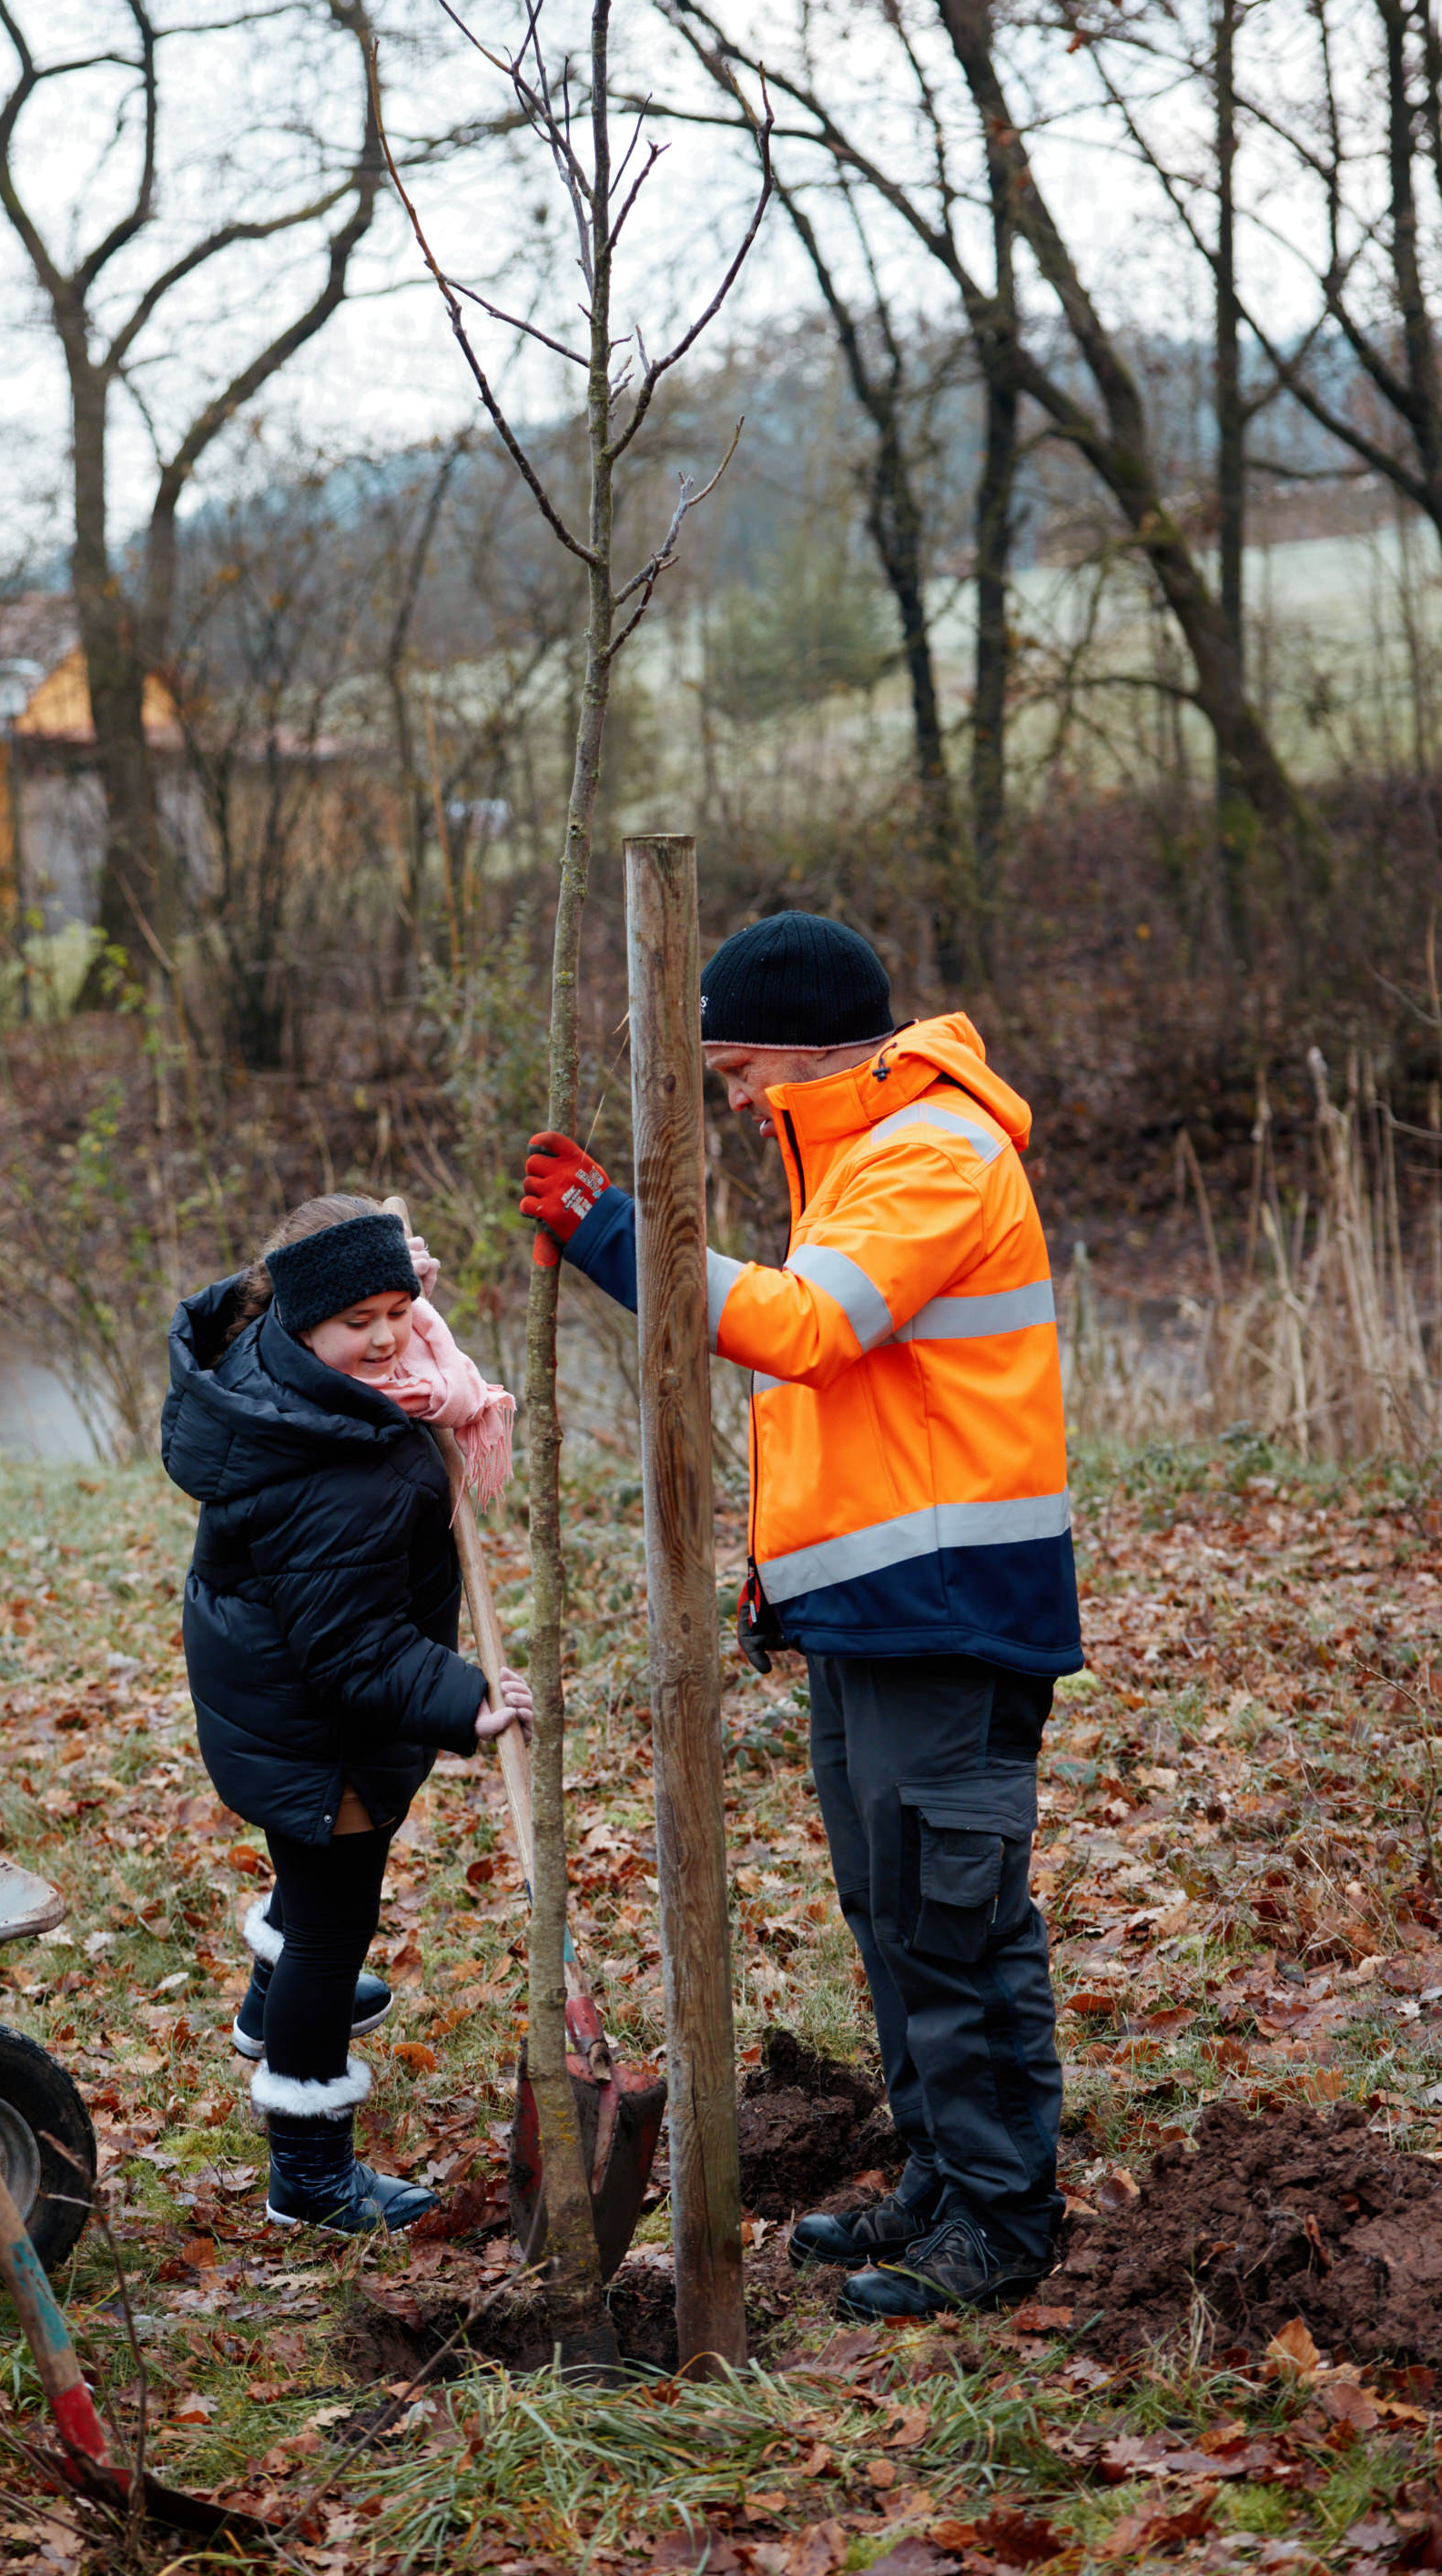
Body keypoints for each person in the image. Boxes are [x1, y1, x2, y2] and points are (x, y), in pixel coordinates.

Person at [520, 911, 1079, 2319]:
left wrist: (612, 1240)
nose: (725, 1097)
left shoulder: (931, 1156)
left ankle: (1002, 2224)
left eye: (732, 1068)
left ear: (799, 1051)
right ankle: (942, 2180)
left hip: (948, 1615)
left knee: (951, 1919)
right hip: (874, 1616)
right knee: (890, 1909)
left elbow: (803, 1330)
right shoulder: (856, 1161)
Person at [161, 1196, 530, 2234]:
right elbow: (354, 1651)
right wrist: (469, 1700)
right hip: (321, 1733)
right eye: (354, 1320)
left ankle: (261, 2008)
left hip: (274, 1703)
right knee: (333, 1926)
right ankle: (310, 2175)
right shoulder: (340, 1464)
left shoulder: (301, 1389)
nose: (383, 1336)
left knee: (309, 1886)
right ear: (302, 1322)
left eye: (397, 1308)